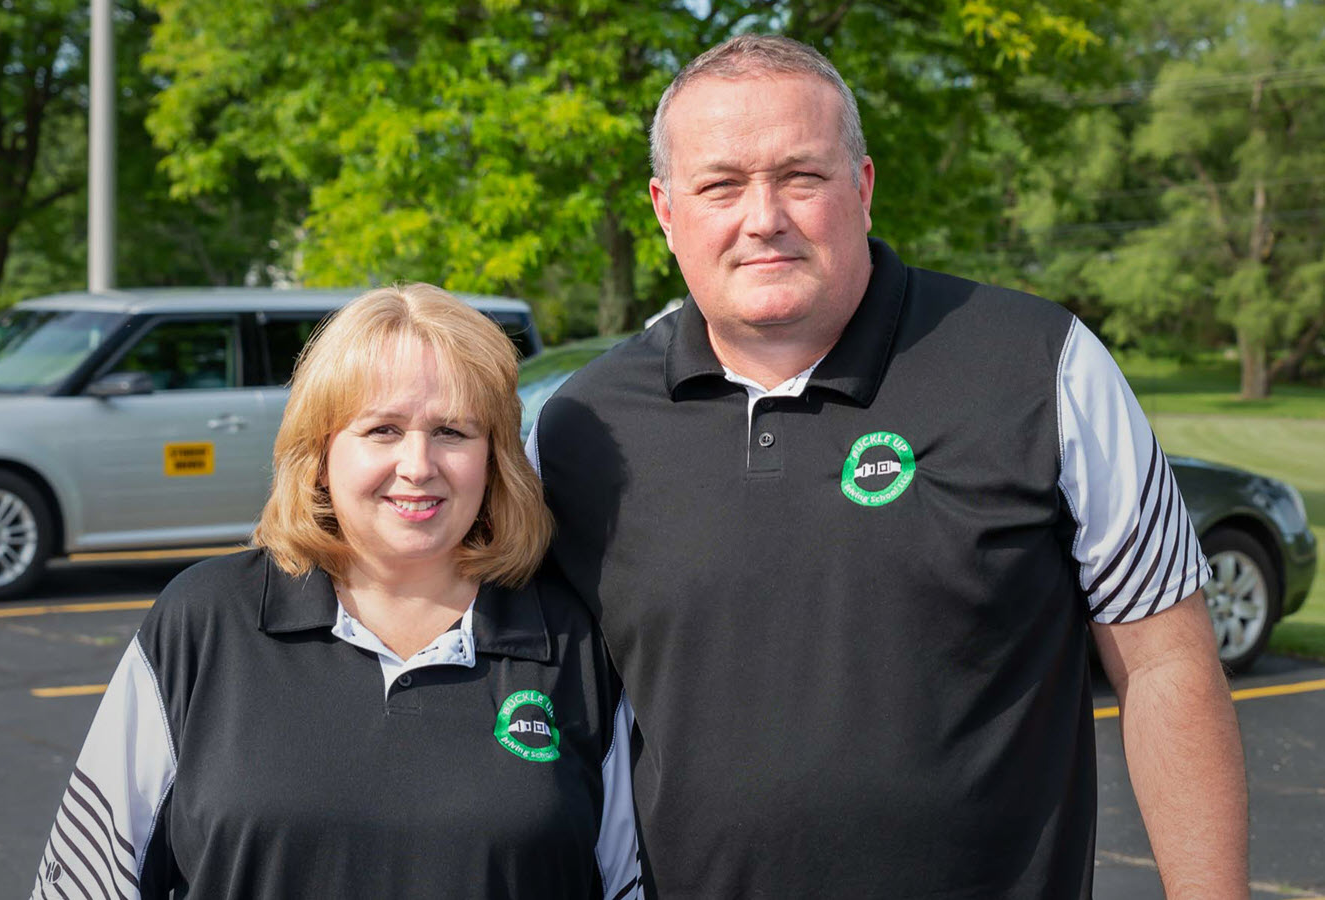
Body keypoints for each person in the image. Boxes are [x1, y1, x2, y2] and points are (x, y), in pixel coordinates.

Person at [528, 35, 1247, 899]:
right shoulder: (581, 427)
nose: (764, 217)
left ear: (862, 188)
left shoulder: (1042, 367)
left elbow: (1166, 659)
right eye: (721, 184)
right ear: (665, 209)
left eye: (802, 176)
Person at [31, 284, 640, 899]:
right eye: (382, 429)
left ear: (495, 457)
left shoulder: (574, 642)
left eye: (452, 431)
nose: (418, 464)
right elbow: (83, 885)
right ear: (321, 451)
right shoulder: (203, 623)